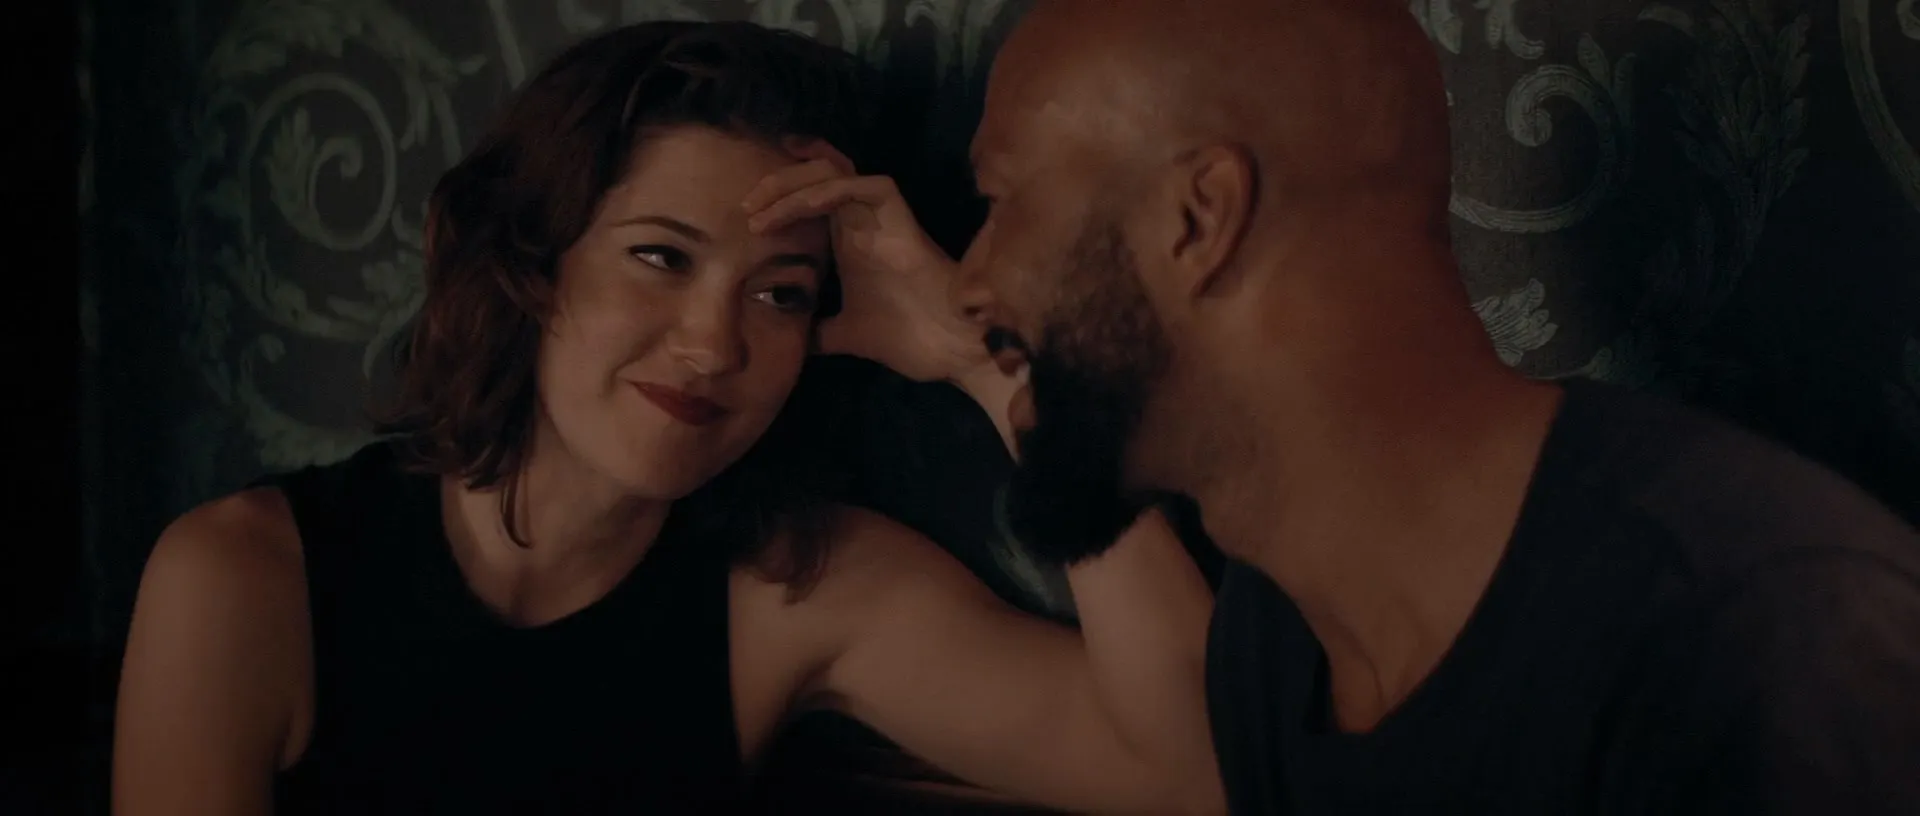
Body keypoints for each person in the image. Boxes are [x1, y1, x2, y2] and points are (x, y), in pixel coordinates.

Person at [112, 21, 1222, 816]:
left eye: (779, 294)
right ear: (532, 263)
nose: (714, 344)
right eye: (661, 257)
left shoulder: (791, 589)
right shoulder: (245, 579)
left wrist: (987, 364)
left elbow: (1191, 771)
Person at [943, 0, 1920, 813]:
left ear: (1197, 219)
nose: (969, 285)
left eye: (1001, 201)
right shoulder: (1273, 629)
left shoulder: (1771, 645)